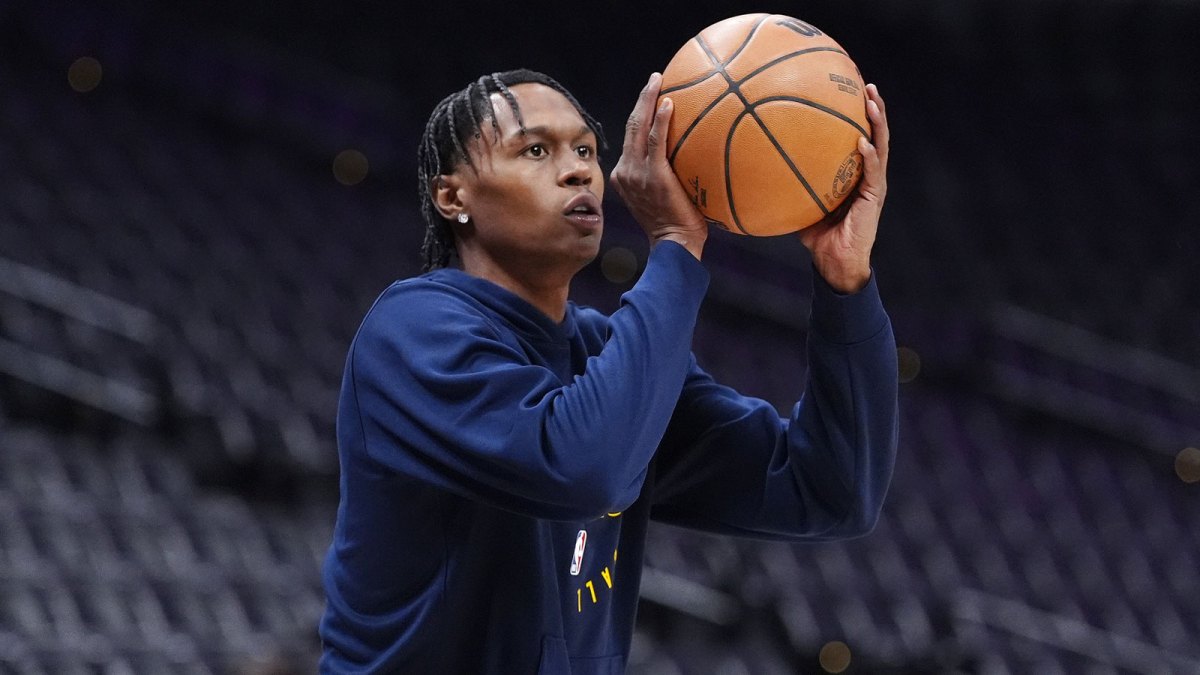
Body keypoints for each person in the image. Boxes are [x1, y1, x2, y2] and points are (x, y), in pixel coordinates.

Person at [319, 68, 896, 674]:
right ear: (452, 196)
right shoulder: (412, 328)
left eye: (587, 150)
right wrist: (675, 242)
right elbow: (581, 470)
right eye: (535, 149)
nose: (577, 170)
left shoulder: (604, 351)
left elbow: (830, 492)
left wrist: (845, 282)